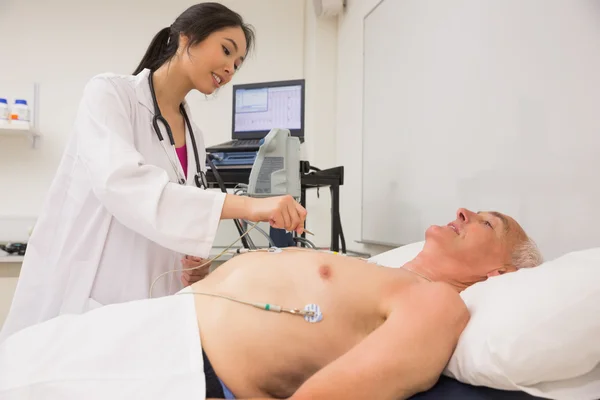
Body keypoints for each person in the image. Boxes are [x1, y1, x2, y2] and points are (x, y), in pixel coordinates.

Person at [0, 3, 308, 343]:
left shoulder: (194, 136)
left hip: (155, 305)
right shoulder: (111, 94)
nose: (230, 69)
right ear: (186, 38)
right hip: (92, 297)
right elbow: (123, 184)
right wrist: (250, 206)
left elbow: (171, 212)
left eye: (237, 63)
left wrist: (193, 261)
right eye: (225, 50)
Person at [0, 208, 543, 400]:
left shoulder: (438, 306)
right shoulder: (384, 274)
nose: (465, 211)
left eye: (487, 222)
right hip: (155, 329)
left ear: (498, 272)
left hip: (179, 369)